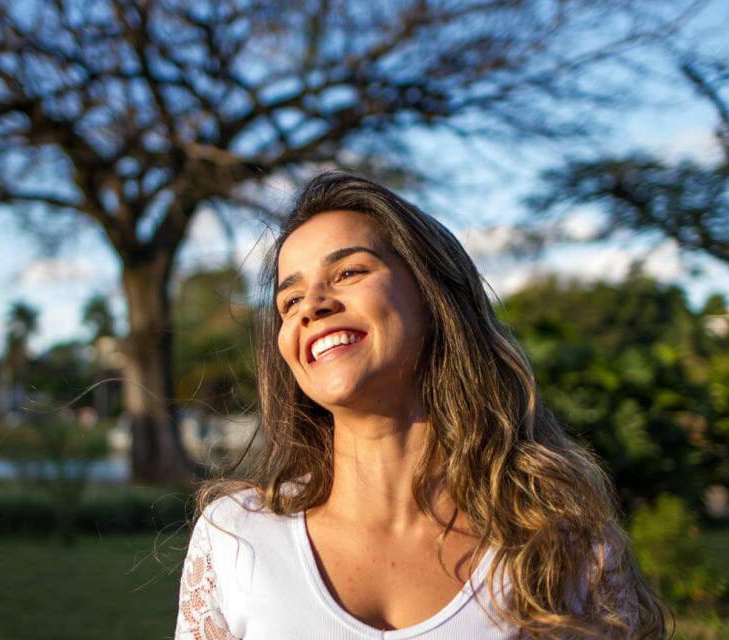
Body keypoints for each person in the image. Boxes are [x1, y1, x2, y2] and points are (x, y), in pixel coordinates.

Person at [174, 171, 666, 639]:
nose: (312, 305)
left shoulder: (560, 545)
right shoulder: (234, 537)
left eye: (348, 271)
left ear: (434, 297)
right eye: (289, 300)